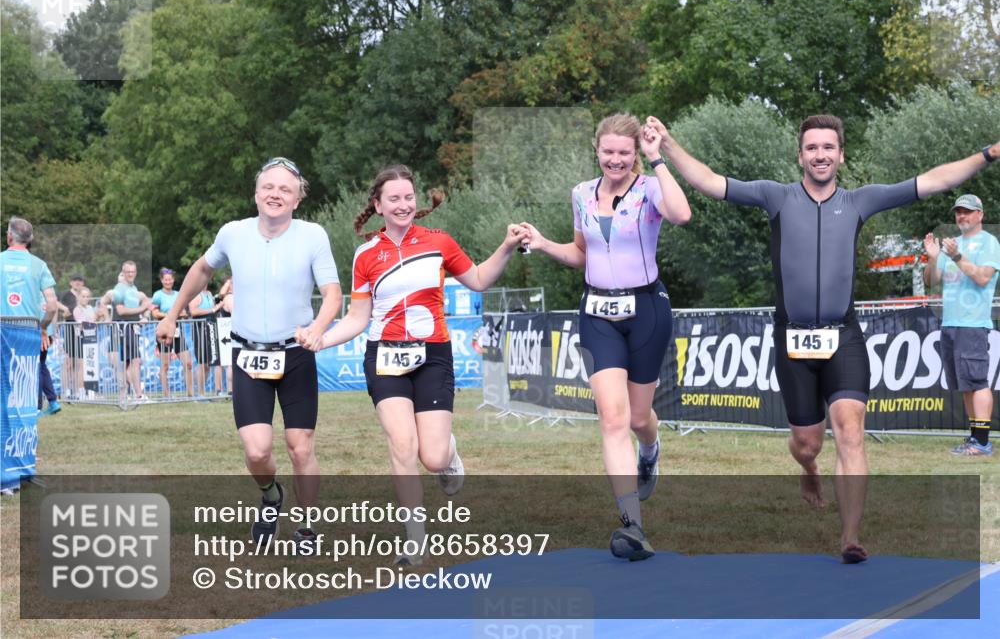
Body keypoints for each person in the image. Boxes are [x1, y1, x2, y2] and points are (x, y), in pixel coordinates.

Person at [652, 113, 999, 563]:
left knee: (851, 432)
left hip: (844, 336)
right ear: (800, 155)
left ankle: (850, 537)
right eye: (812, 147)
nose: (820, 154)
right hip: (792, 338)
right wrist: (666, 146)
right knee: (807, 442)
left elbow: (933, 180)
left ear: (841, 155)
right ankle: (809, 469)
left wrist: (989, 154)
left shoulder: (859, 201)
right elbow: (711, 182)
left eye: (828, 147)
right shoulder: (775, 197)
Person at [317, 164, 528, 565]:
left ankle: (449, 451)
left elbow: (480, 280)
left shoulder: (439, 242)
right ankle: (415, 540)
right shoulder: (365, 255)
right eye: (393, 199)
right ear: (378, 205)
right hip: (384, 356)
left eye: (408, 197)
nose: (403, 204)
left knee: (431, 457)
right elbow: (358, 318)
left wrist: (504, 245)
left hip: (432, 355)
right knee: (402, 444)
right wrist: (321, 339)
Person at [518, 114, 691, 561]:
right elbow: (580, 253)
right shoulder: (580, 193)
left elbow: (682, 214)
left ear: (635, 153)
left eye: (624, 152)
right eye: (608, 152)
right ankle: (632, 525)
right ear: (597, 150)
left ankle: (650, 449)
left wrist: (658, 160)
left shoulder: (651, 187)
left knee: (637, 419)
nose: (615, 160)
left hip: (647, 310)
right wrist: (542, 243)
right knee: (612, 420)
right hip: (597, 313)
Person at [156, 156, 341, 548]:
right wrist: (172, 314)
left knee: (300, 445)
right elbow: (203, 270)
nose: (276, 195)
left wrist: (318, 328)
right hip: (248, 354)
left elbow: (333, 294)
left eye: (285, 190)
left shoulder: (313, 235)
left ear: (297, 199)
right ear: (256, 194)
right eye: (269, 187)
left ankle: (306, 529)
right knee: (258, 453)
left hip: (296, 354)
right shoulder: (233, 233)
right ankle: (272, 495)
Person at [923, 194, 1000, 456]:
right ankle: (974, 439)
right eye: (958, 212)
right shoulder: (951, 246)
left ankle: (982, 442)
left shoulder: (989, 243)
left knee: (978, 383)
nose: (962, 216)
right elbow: (931, 280)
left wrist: (956, 256)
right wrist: (934, 257)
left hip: (973, 323)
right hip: (951, 323)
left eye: (967, 211)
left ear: (980, 214)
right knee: (966, 384)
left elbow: (982, 277)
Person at [0, 217, 59, 414]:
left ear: (9, 238)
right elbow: (51, 306)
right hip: (29, 332)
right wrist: (43, 328)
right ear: (30, 239)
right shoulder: (39, 265)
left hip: (3, 332)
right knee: (26, 381)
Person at [111, 260, 152, 403]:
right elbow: (121, 311)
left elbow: (148, 304)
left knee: (132, 362)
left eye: (133, 272)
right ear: (123, 272)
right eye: (127, 272)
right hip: (122, 327)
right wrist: (141, 310)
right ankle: (137, 395)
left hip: (132, 328)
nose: (130, 274)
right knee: (131, 362)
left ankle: (132, 394)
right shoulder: (120, 289)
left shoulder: (134, 289)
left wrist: (144, 317)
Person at [150, 267, 193, 398]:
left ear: (173, 280)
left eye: (170, 279)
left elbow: (185, 313)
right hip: (163, 330)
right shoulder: (158, 295)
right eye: (165, 280)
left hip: (177, 329)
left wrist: (181, 315)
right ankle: (166, 395)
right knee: (165, 365)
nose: (168, 282)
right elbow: (154, 313)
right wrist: (169, 316)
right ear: (162, 280)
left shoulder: (178, 294)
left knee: (188, 363)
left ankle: (191, 395)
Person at [188, 282, 224, 396]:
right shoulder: (195, 294)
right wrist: (213, 310)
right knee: (201, 363)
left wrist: (216, 309)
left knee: (208, 365)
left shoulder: (208, 293)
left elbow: (214, 309)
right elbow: (193, 311)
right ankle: (200, 392)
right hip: (200, 330)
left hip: (211, 329)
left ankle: (201, 389)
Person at [58, 274, 86, 399]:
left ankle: (75, 390)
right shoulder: (66, 294)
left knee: (79, 362)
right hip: (69, 329)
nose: (78, 283)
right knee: (68, 362)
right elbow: (54, 302)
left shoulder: (83, 295)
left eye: (80, 281)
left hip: (81, 331)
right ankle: (65, 391)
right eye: (75, 280)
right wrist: (65, 309)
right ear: (71, 283)